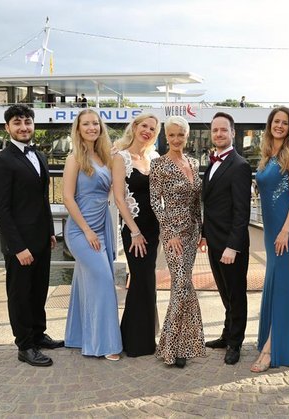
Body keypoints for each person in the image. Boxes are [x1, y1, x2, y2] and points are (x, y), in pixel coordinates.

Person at [0, 104, 63, 367]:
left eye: (27, 122)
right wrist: (18, 247)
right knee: (20, 294)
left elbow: (42, 199)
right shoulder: (1, 161)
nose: (23, 127)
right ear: (7, 127)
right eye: (17, 123)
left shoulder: (39, 156)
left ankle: (39, 334)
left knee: (39, 290)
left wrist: (50, 231)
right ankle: (25, 345)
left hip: (41, 238)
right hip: (19, 243)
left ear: (33, 125)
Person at [63, 109, 122, 361]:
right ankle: (105, 344)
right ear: (78, 129)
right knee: (104, 281)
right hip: (81, 230)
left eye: (95, 123)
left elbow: (114, 192)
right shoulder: (74, 158)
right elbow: (67, 198)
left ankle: (77, 337)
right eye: (86, 124)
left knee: (85, 282)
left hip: (102, 226)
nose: (91, 128)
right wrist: (87, 231)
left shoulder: (106, 157)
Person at [150, 115, 206, 368]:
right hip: (172, 234)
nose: (176, 139)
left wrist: (201, 232)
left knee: (183, 286)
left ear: (187, 136)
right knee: (181, 284)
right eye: (171, 135)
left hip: (192, 232)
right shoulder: (158, 164)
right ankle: (172, 347)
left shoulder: (193, 163)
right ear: (166, 136)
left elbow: (196, 202)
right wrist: (170, 232)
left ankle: (183, 345)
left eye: (180, 135)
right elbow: (155, 202)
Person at [251, 107, 289, 372]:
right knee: (274, 282)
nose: (279, 125)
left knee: (282, 285)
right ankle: (271, 341)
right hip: (271, 229)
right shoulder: (266, 156)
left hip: (286, 230)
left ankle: (271, 349)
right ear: (270, 125)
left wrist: (285, 230)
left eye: (284, 122)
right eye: (276, 121)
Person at [200, 112, 252, 365]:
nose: (219, 134)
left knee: (236, 293)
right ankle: (226, 334)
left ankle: (235, 343)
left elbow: (242, 211)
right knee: (224, 292)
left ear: (233, 132)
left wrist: (233, 246)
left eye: (223, 130)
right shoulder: (212, 163)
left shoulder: (240, 165)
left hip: (231, 244)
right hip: (214, 240)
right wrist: (204, 234)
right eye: (215, 130)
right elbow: (210, 204)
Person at [111, 113, 161, 357]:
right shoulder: (121, 157)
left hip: (154, 229)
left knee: (148, 282)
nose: (147, 131)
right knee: (140, 281)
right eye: (144, 126)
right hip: (135, 230)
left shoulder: (154, 158)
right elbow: (119, 198)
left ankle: (144, 339)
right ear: (135, 126)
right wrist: (135, 232)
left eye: (152, 128)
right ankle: (134, 342)